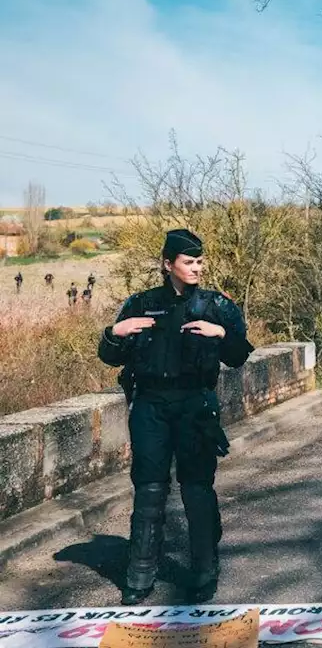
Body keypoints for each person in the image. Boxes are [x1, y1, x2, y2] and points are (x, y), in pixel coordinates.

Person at [98, 229, 254, 605]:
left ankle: (203, 570)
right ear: (168, 264)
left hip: (195, 406)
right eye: (188, 262)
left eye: (200, 261)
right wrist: (114, 333)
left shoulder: (217, 305)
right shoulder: (140, 303)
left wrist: (221, 333)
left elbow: (238, 354)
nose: (197, 268)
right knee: (149, 489)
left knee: (197, 488)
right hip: (150, 406)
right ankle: (139, 574)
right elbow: (110, 356)